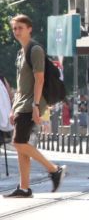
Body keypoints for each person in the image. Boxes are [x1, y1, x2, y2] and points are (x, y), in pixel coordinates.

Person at [3, 15, 67, 198]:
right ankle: (24, 188)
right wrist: (13, 108)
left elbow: (40, 79)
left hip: (32, 103)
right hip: (22, 103)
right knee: (22, 145)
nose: (16, 31)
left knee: (18, 143)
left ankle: (54, 170)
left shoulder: (35, 49)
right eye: (14, 28)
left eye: (20, 28)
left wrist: (37, 105)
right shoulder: (20, 52)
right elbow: (21, 84)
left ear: (29, 29)